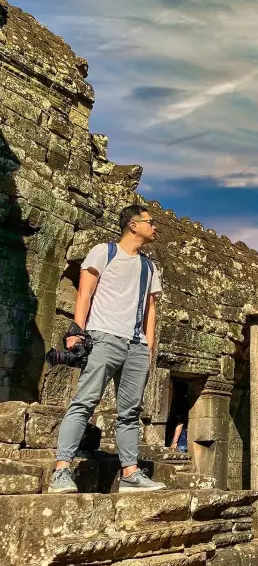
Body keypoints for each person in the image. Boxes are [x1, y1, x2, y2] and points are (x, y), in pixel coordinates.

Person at [48, 205, 167, 493]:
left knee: (130, 412)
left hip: (136, 345)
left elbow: (151, 309)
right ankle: (62, 471)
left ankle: (130, 472)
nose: (155, 228)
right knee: (84, 402)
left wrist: (148, 347)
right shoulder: (104, 252)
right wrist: (77, 331)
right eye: (150, 222)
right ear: (133, 225)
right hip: (104, 337)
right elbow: (85, 293)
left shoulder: (149, 267)